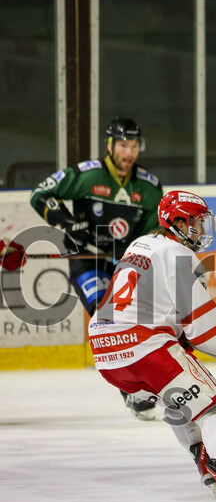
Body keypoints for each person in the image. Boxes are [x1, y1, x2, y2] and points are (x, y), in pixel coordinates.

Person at [88, 190, 216, 502]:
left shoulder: (139, 245)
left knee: (181, 399)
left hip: (104, 350)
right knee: (211, 404)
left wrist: (182, 337)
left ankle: (205, 464)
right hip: (144, 344)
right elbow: (202, 324)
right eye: (197, 224)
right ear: (176, 222)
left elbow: (156, 306)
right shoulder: (181, 255)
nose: (203, 232)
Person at [29, 117, 164, 420]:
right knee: (107, 314)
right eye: (122, 145)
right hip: (85, 259)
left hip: (123, 264)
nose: (128, 153)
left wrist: (141, 253)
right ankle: (131, 389)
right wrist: (64, 221)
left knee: (140, 320)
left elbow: (156, 231)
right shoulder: (87, 176)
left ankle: (146, 381)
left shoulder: (149, 187)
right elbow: (40, 193)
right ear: (109, 145)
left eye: (133, 146)